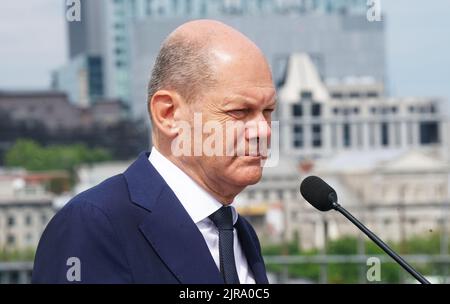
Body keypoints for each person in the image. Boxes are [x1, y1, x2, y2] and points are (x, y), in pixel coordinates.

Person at [32, 19, 276, 284]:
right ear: (168, 114)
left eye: (268, 112)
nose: (264, 131)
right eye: (239, 112)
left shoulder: (239, 232)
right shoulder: (92, 224)